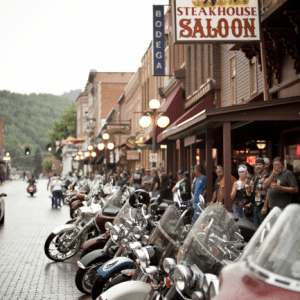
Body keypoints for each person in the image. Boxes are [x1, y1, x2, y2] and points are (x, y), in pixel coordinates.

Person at [249, 157, 270, 226]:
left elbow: (269, 192)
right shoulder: (256, 176)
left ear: (264, 166)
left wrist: (265, 206)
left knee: (264, 228)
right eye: (256, 164)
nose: (258, 166)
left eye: (260, 164)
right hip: (256, 206)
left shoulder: (267, 176)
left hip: (262, 206)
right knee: (256, 229)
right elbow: (252, 187)